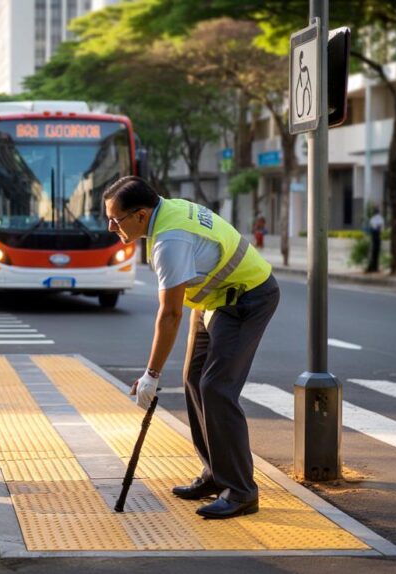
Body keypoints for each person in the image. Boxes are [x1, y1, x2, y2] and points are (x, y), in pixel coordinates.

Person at [103, 176, 279, 519]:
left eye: (116, 219)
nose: (111, 227)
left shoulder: (170, 239)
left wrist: (151, 374)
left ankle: (242, 491)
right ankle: (215, 474)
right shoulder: (165, 213)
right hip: (215, 299)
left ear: (140, 215)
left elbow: (169, 314)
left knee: (217, 388)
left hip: (248, 297)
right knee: (194, 379)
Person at [366, 207, 384, 273]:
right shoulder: (380, 218)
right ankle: (376, 266)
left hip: (374, 234)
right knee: (377, 250)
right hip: (378, 234)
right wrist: (379, 228)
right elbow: (381, 226)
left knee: (373, 250)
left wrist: (376, 228)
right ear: (378, 212)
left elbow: (372, 225)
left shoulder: (372, 218)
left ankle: (373, 265)